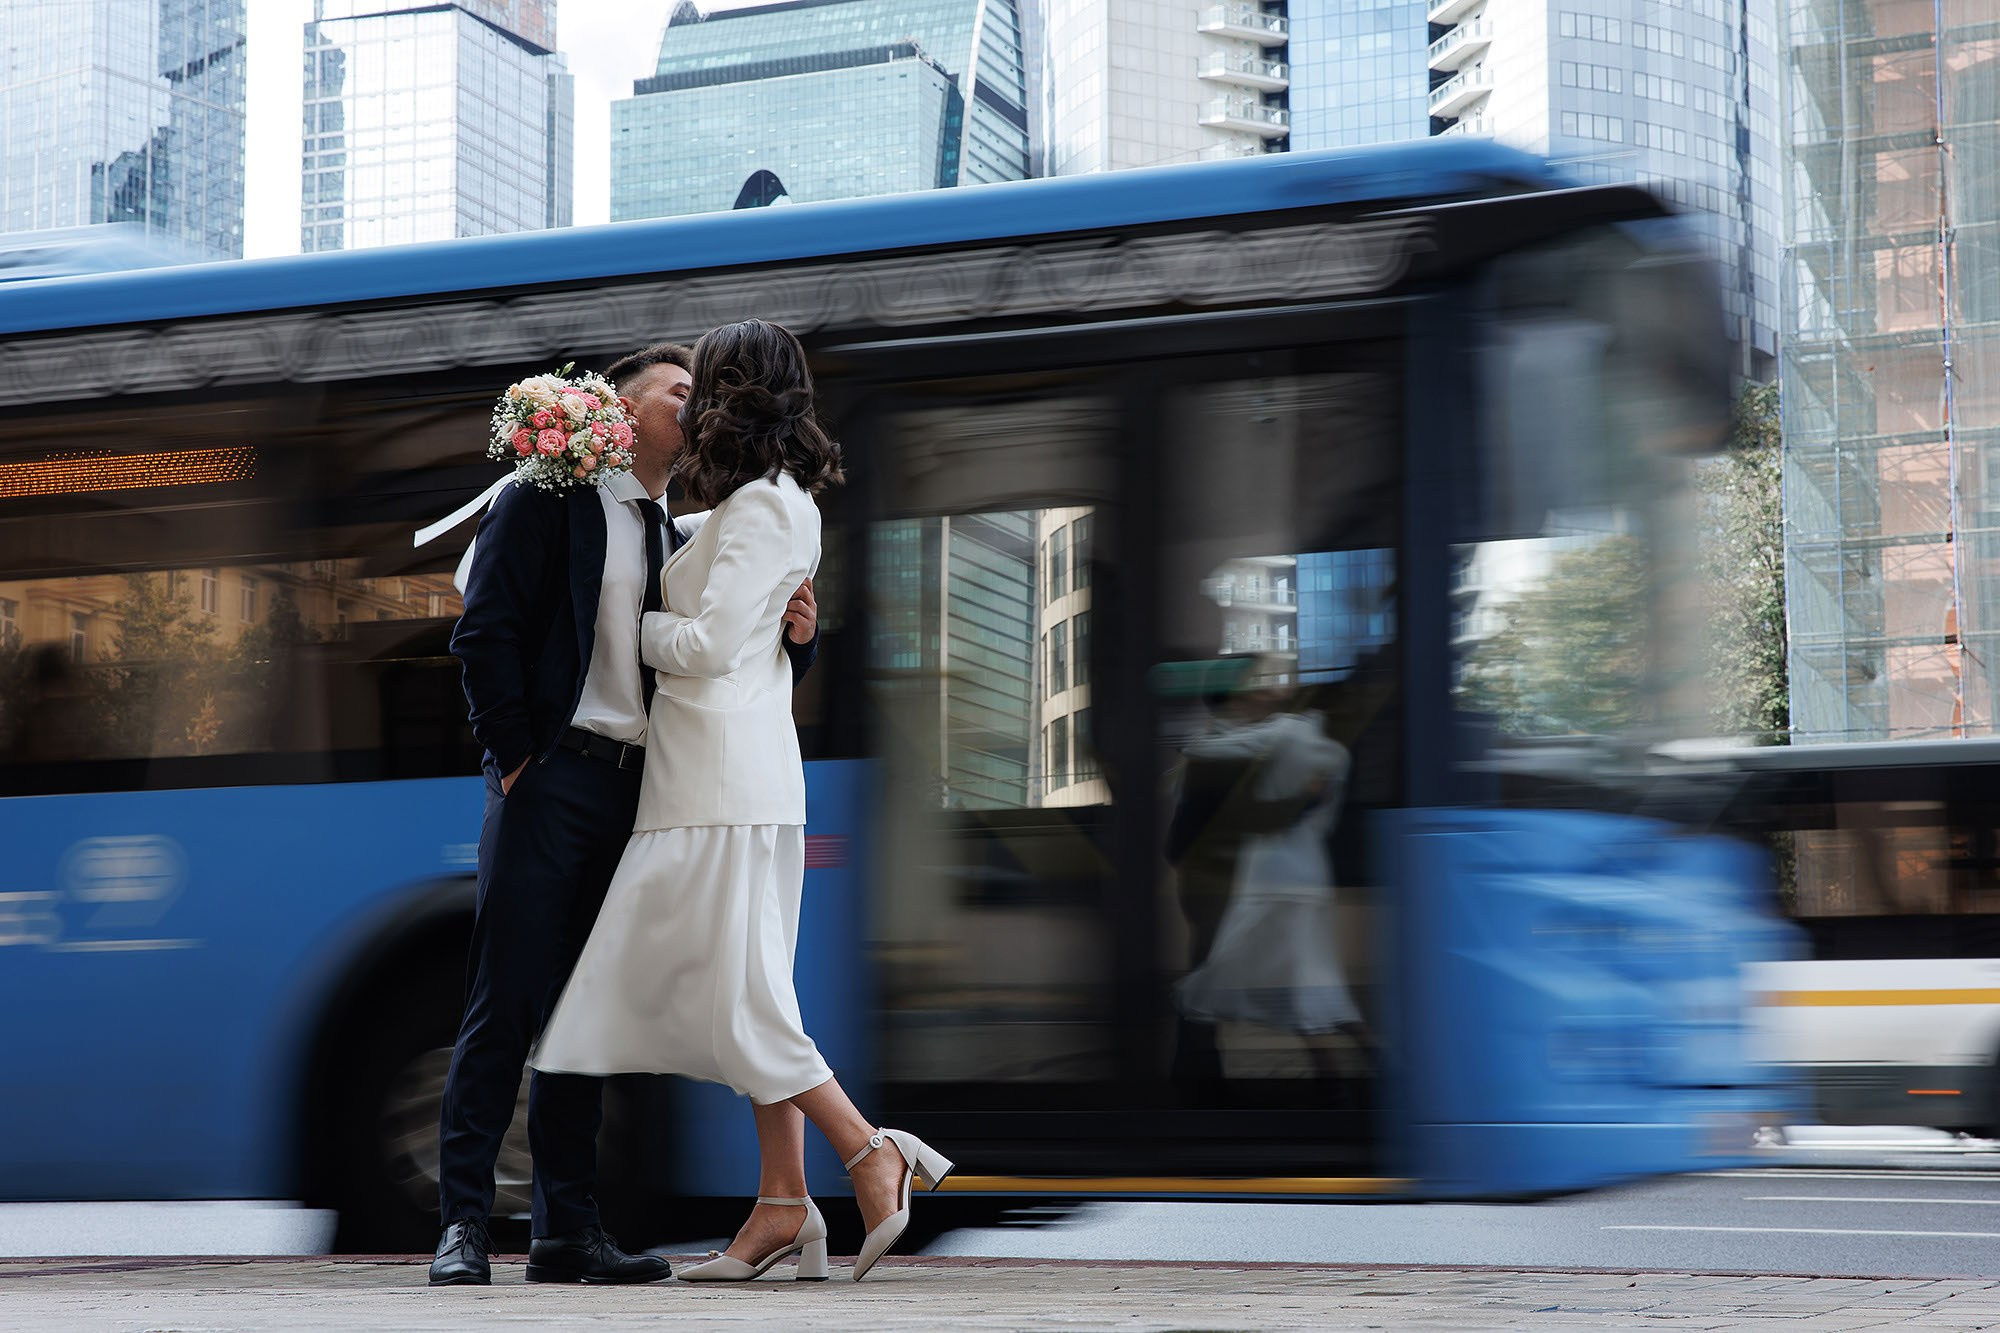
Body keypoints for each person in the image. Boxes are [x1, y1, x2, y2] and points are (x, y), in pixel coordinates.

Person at [532, 320, 952, 1284]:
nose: (691, 402)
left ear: (735, 393)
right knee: (748, 984)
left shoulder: (767, 508)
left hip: (717, 785)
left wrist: (624, 630)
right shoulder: (750, 506)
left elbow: (713, 644)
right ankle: (779, 1202)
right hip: (720, 778)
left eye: (703, 385)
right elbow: (725, 602)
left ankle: (868, 1151)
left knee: (728, 995)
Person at [431, 342, 821, 1287]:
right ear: (625, 411)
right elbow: (482, 631)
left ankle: (568, 1233)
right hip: (551, 781)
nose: (698, 409)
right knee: (507, 1003)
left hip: (639, 790)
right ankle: (464, 1228)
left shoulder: (676, 530)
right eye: (680, 394)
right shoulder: (546, 498)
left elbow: (720, 653)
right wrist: (516, 756)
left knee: (584, 1013)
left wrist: (798, 640)